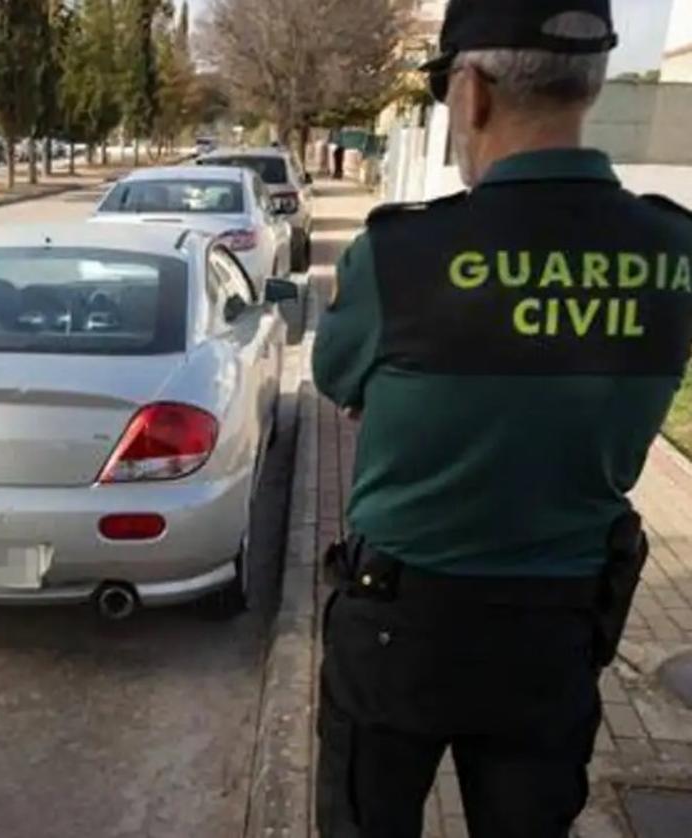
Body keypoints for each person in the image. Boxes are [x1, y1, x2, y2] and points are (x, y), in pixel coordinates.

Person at [311, 1, 692, 835]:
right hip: (553, 635)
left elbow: (334, 377)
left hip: (398, 636)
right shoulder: (672, 251)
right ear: (589, 84)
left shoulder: (400, 256)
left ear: (473, 92)